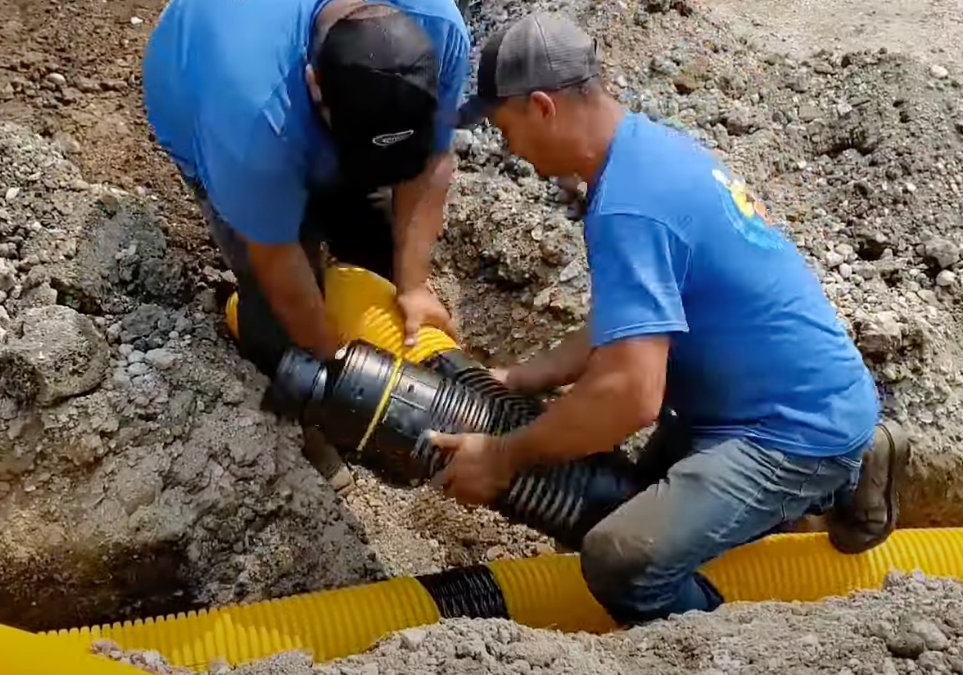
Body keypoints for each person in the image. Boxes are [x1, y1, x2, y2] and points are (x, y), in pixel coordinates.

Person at [428, 12, 911, 626]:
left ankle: (736, 642)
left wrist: (502, 458)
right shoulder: (643, 153)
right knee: (616, 507)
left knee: (622, 558)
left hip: (789, 434)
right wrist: (525, 378)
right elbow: (629, 318)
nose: (511, 149)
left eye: (505, 128)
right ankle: (851, 466)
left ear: (543, 108)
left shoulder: (631, 206)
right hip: (758, 400)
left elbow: (631, 397)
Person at [141, 0, 471, 492]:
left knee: (377, 237)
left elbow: (430, 165)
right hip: (198, 95)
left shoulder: (439, 33)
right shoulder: (252, 121)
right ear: (316, 86)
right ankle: (304, 426)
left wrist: (413, 283)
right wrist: (344, 375)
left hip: (321, 115)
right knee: (279, 315)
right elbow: (277, 263)